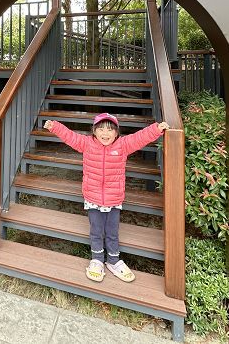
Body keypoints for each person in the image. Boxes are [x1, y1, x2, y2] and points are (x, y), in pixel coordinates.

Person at [44, 113, 169, 283]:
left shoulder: (123, 145)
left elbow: (140, 138)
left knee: (112, 232)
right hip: (92, 197)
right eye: (101, 129)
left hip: (114, 199)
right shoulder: (87, 144)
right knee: (96, 231)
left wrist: (156, 129)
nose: (105, 133)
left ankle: (113, 261)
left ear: (117, 133)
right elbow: (70, 137)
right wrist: (55, 126)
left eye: (110, 130)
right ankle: (96, 260)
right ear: (94, 131)